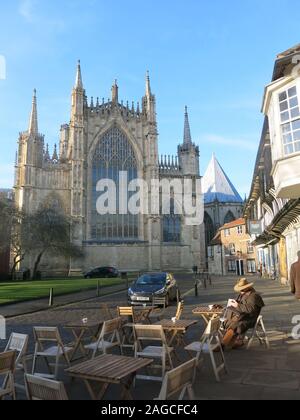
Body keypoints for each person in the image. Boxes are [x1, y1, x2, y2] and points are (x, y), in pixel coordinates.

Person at [222, 278, 265, 349]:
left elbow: (250, 309)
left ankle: (223, 343)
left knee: (236, 324)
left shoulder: (253, 296)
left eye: (242, 289)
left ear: (247, 288)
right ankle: (234, 340)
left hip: (249, 318)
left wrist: (237, 305)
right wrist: (234, 303)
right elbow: (242, 304)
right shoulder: (243, 293)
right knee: (229, 322)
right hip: (242, 316)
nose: (240, 291)